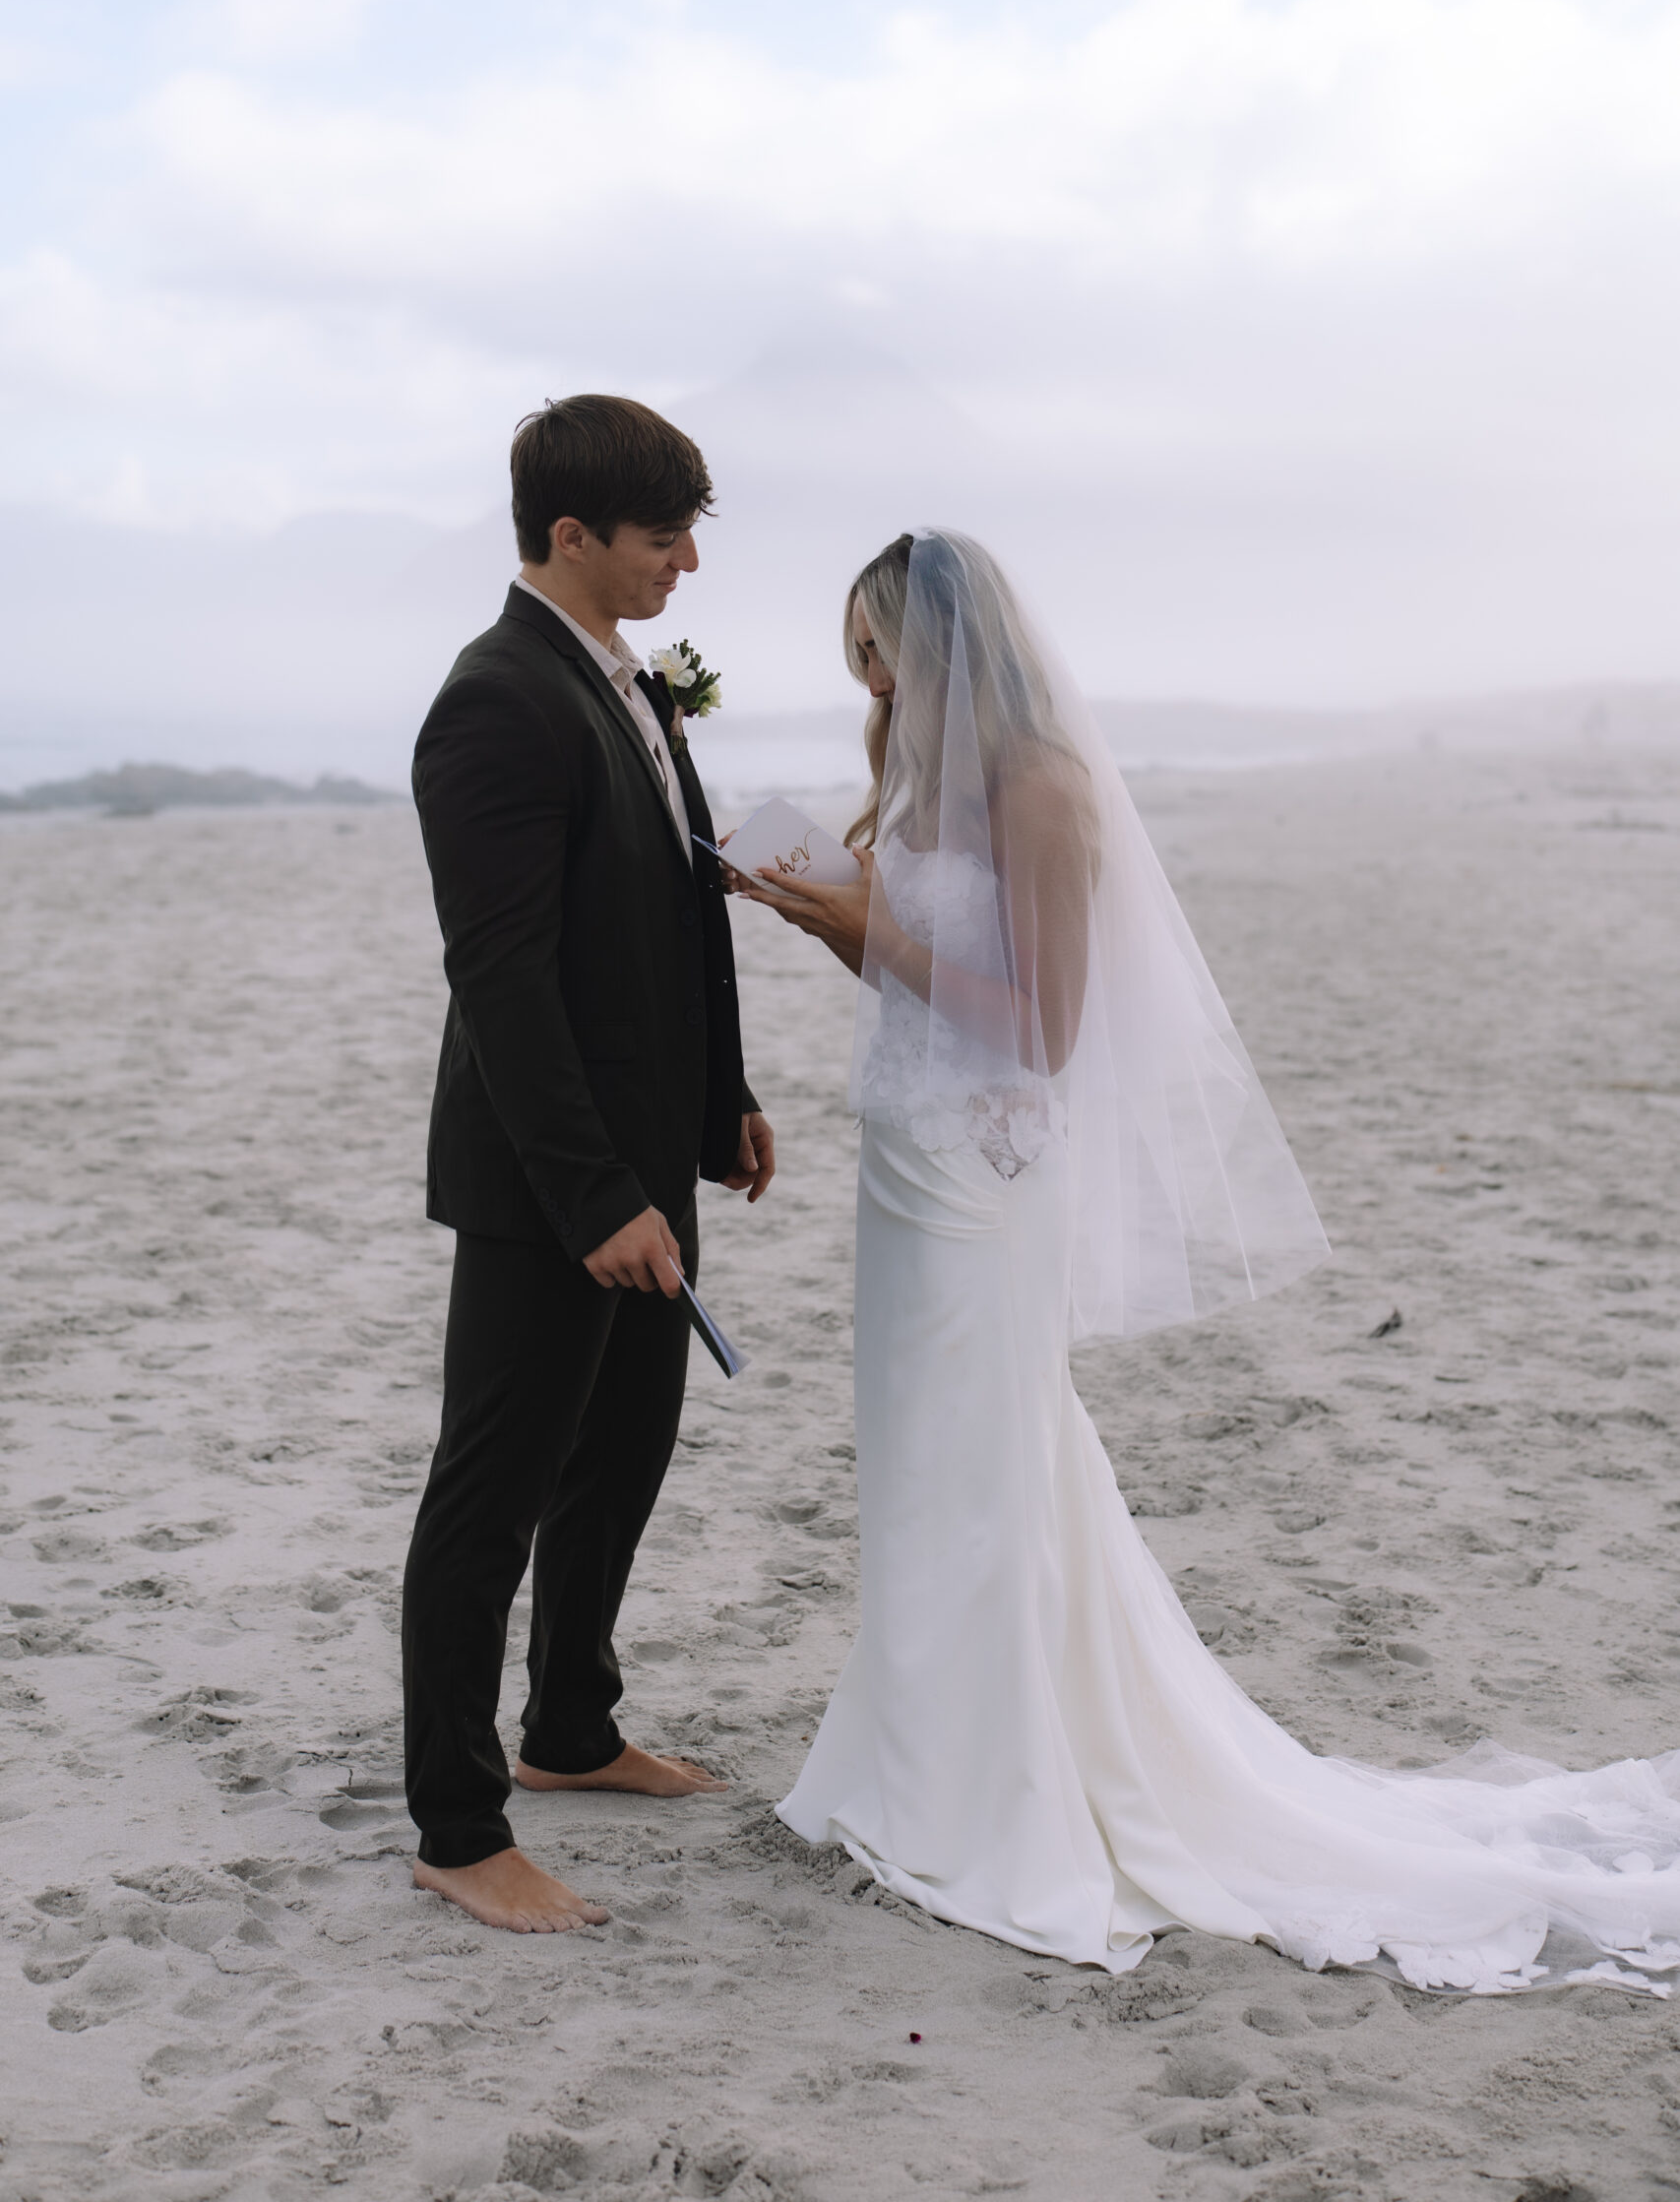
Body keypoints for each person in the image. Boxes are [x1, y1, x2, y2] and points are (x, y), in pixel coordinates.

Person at [737, 529, 1680, 1992]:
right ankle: (919, 1767)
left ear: (948, 650)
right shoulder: (931, 778)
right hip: (909, 1171)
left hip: (986, 1181)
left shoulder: (1042, 787)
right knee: (928, 1467)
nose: (863, 677)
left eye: (880, 649)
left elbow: (1040, 1030)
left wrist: (863, 921)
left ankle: (1001, 1792)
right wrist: (822, 917)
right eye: (854, 653)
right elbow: (921, 983)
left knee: (985, 1469)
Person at [403, 394, 775, 1935]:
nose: (690, 561)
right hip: (547, 1183)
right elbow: (503, 979)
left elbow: (675, 911)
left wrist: (722, 1100)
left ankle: (569, 1731)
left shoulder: (624, 681)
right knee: (492, 1492)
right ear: (570, 535)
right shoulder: (497, 699)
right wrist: (593, 1196)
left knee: (623, 1457)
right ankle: (457, 1823)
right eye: (662, 534)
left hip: (646, 1157)